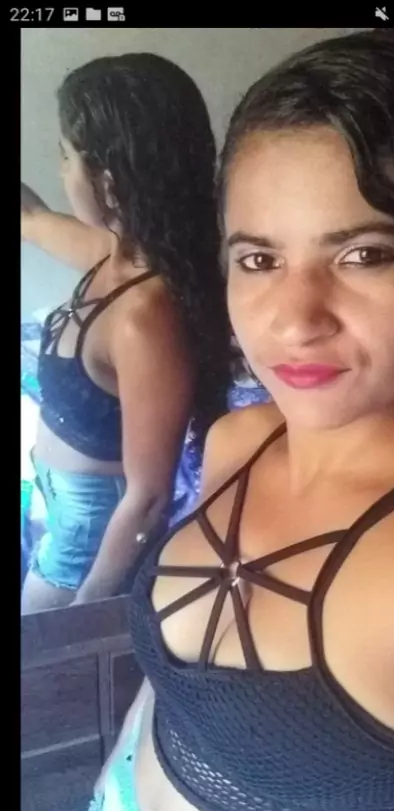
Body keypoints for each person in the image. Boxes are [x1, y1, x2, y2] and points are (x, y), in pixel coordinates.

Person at [73, 33, 394, 811]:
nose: (294, 320)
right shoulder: (240, 440)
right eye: (258, 259)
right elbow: (181, 685)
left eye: (363, 253)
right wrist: (116, 778)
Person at [21, 53, 230, 613]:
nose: (61, 171)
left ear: (108, 183)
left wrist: (86, 609)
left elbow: (149, 498)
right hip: (65, 511)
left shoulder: (143, 317)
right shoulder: (114, 255)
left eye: (66, 156)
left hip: (86, 545)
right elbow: (32, 219)